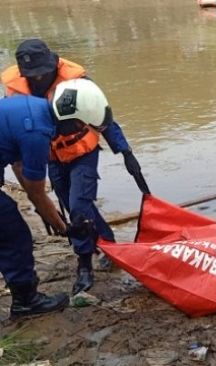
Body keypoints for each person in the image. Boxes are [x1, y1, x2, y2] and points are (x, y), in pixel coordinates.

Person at [1, 39, 148, 295]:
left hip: (82, 152)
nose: (37, 78)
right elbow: (17, 148)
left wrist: (125, 151)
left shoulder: (78, 82)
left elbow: (103, 116)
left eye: (42, 72)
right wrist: (46, 210)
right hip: (49, 154)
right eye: (31, 75)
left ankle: (84, 263)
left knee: (79, 206)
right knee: (73, 205)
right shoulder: (16, 89)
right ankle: (108, 244)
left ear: (53, 64)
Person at [0, 80, 110, 317]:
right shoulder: (37, 132)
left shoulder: (32, 106)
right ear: (69, 119)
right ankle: (26, 302)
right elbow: (36, 191)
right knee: (13, 235)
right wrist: (64, 227)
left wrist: (48, 214)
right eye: (80, 125)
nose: (79, 131)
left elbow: (19, 165)